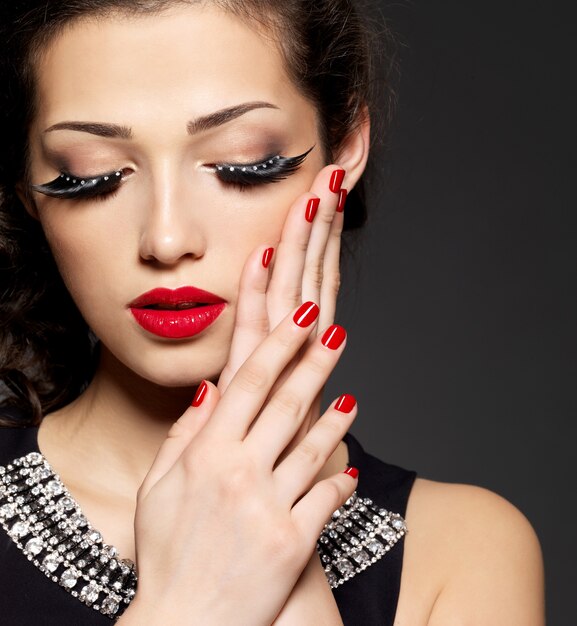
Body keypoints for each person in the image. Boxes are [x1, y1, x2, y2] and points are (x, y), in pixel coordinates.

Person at [0, 1, 545, 624]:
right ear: (29, 193)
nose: (167, 238)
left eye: (242, 165)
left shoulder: (463, 554)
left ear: (344, 150)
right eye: (91, 177)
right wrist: (187, 606)